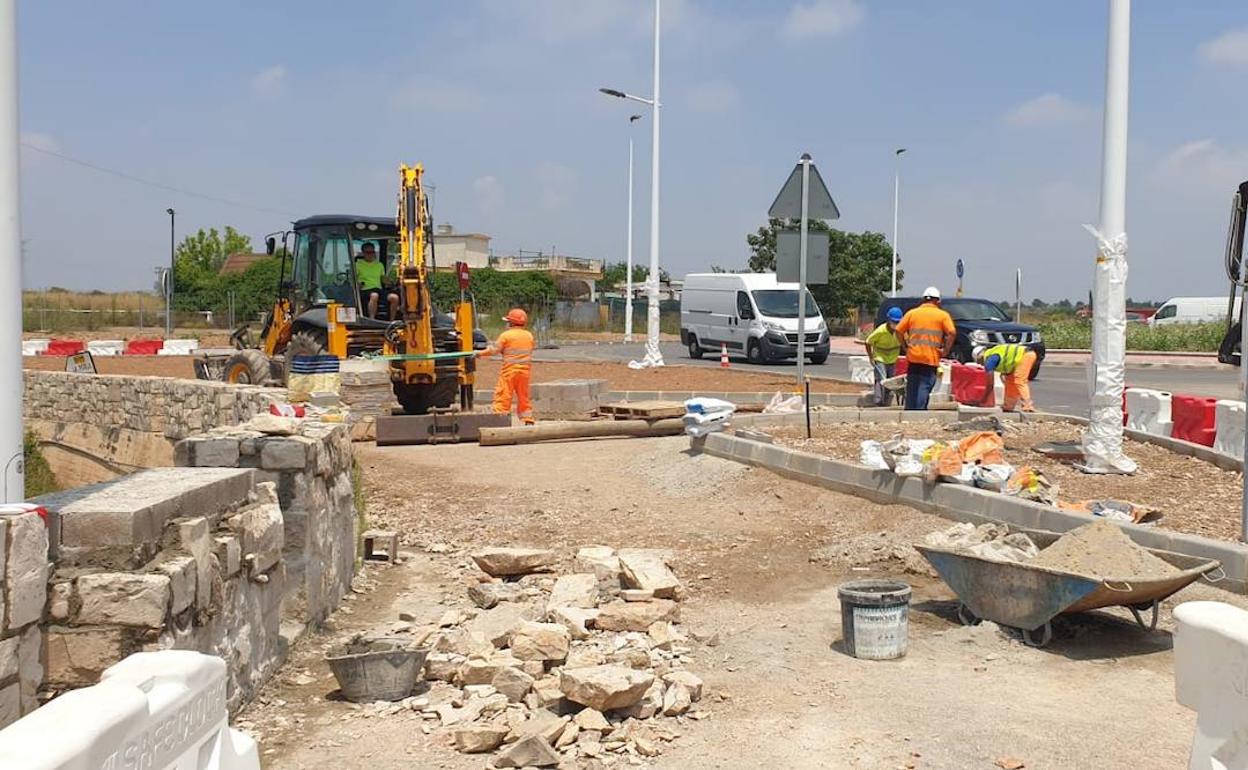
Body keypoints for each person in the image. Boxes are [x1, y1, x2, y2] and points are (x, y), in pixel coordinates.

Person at [894, 286, 956, 410]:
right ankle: (920, 412)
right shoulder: (942, 315)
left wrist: (905, 346)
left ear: (923, 299)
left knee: (912, 385)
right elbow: (952, 333)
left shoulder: (912, 313)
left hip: (914, 356)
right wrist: (945, 350)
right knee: (924, 385)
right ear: (937, 301)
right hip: (930, 358)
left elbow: (898, 330)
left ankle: (910, 411)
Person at [481, 308, 536, 425]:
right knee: (523, 397)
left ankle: (500, 418)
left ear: (511, 323)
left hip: (509, 371)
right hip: (524, 373)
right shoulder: (529, 336)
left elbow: (494, 350)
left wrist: (479, 354)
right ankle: (528, 419)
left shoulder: (506, 335)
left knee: (504, 395)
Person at [974, 343, 1037, 412]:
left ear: (980, 356)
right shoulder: (993, 353)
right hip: (1021, 358)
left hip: (1025, 355)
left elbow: (989, 378)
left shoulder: (990, 358)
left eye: (979, 362)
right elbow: (1006, 361)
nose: (981, 364)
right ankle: (1009, 406)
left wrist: (986, 395)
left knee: (1020, 380)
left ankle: (1027, 405)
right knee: (1010, 382)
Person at [864, 307, 903, 406]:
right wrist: (871, 357)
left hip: (892, 358)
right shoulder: (881, 331)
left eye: (898, 322)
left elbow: (905, 343)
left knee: (890, 380)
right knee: (881, 379)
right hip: (880, 357)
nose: (896, 324)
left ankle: (885, 400)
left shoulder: (901, 331)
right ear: (889, 320)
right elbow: (868, 342)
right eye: (894, 322)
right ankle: (878, 401)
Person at [356, 243, 400, 320]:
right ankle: (372, 319)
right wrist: (358, 284)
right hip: (365, 290)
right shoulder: (358, 265)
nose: (371, 255)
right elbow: (354, 279)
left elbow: (383, 278)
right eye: (368, 252)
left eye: (372, 252)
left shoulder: (379, 265)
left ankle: (391, 321)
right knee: (374, 296)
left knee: (394, 297)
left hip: (378, 289)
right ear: (363, 253)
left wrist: (391, 282)